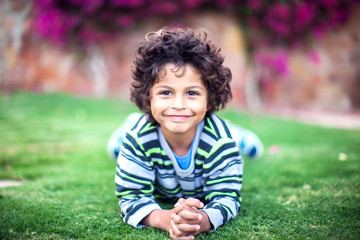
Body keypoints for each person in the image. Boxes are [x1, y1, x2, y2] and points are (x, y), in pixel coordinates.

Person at [113, 27, 260, 239]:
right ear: (148, 97)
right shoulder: (137, 139)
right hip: (140, 133)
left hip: (214, 134)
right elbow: (131, 196)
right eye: (165, 92)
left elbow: (227, 197)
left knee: (231, 138)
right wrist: (167, 219)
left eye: (192, 93)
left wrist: (202, 220)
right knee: (116, 148)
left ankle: (242, 138)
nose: (179, 104)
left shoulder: (221, 143)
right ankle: (128, 125)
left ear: (209, 98)